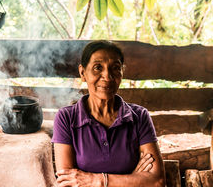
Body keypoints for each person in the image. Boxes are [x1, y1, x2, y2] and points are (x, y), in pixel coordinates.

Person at [51, 40, 165, 187]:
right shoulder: (66, 118)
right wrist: (134, 179)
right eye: (98, 67)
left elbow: (157, 181)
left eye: (115, 68)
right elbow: (68, 183)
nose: (108, 76)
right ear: (82, 73)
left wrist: (97, 180)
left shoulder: (139, 116)